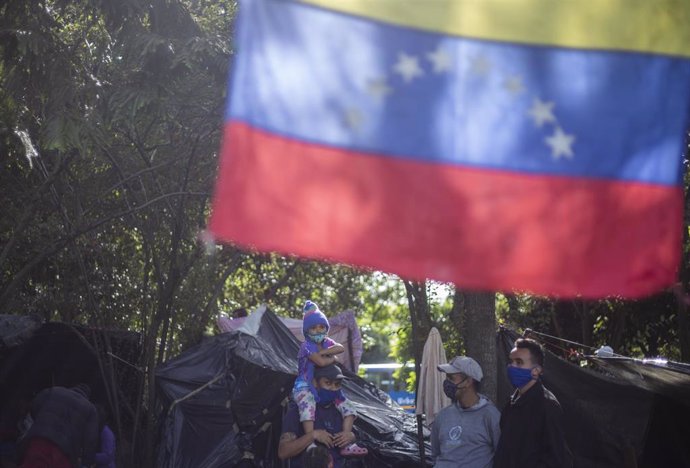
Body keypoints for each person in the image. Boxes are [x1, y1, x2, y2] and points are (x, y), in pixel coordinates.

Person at [292, 301, 366, 457]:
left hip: (323, 383)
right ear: (307, 330)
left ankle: (346, 441)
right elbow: (321, 362)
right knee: (307, 407)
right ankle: (310, 443)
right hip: (305, 385)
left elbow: (341, 348)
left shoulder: (325, 342)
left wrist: (326, 352)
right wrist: (332, 358)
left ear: (326, 328)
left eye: (321, 327)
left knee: (348, 407)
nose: (318, 330)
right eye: (313, 327)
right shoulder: (306, 346)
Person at [493, 338, 570, 468]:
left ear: (536, 370)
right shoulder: (511, 403)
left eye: (519, 362)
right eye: (511, 361)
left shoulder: (547, 406)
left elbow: (557, 459)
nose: (512, 367)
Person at [279, 364, 367, 467]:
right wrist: (313, 435)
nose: (333, 388)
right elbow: (283, 452)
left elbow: (360, 443)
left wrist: (350, 437)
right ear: (315, 382)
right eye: (328, 383)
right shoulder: (298, 410)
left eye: (337, 384)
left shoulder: (342, 411)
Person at [432, 356, 501, 468]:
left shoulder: (490, 416)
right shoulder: (443, 416)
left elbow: (501, 455)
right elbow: (435, 454)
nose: (447, 383)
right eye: (447, 378)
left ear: (468, 381)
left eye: (451, 378)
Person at [19, 384, 98, 468]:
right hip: (64, 452)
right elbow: (90, 440)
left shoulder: (54, 391)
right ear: (87, 397)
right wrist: (86, 463)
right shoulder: (90, 409)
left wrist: (40, 423)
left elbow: (34, 405)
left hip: (39, 440)